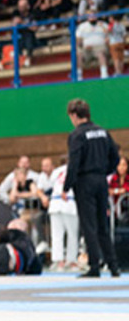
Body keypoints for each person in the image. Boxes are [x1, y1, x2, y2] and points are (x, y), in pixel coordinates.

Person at [64, 99, 121, 278]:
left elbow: (74, 163)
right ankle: (113, 266)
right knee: (103, 225)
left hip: (84, 182)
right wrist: (105, 171)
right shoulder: (103, 132)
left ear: (74, 115)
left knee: (89, 225)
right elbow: (116, 158)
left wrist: (66, 187)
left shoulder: (77, 135)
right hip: (101, 180)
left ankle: (94, 266)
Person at [48, 159, 80, 272]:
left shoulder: (56, 171)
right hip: (69, 204)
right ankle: (71, 262)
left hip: (56, 203)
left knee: (57, 235)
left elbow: (51, 184)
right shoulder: (78, 169)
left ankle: (58, 262)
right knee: (72, 234)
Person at [76, 8, 110, 80]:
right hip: (86, 48)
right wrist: (82, 45)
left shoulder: (103, 24)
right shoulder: (82, 26)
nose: (92, 17)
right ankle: (79, 76)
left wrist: (102, 27)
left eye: (94, 16)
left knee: (101, 54)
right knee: (79, 55)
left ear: (97, 16)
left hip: (100, 48)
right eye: (90, 16)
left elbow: (109, 35)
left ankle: (104, 75)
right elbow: (78, 41)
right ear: (87, 17)